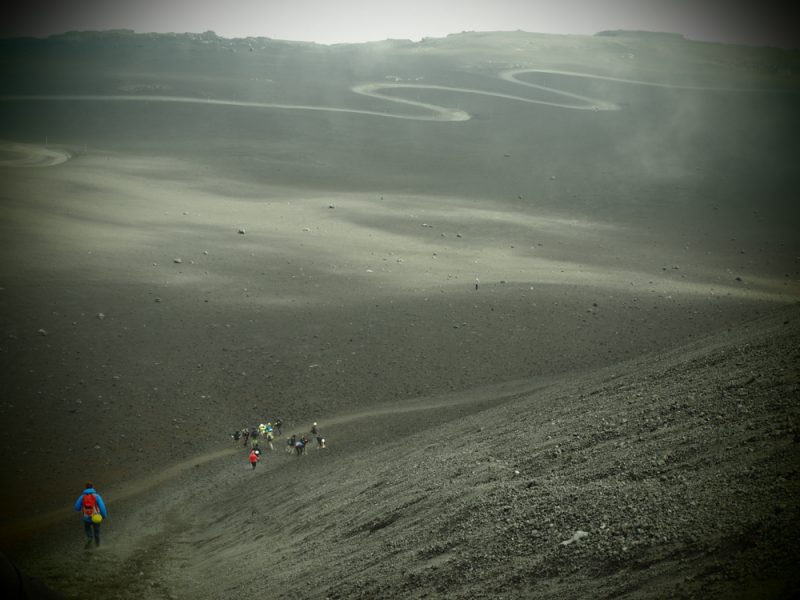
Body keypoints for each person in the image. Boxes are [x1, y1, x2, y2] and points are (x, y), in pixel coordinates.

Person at [74, 482, 108, 548]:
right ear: (93, 487)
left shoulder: (82, 497)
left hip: (86, 518)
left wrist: (81, 508)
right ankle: (97, 546)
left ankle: (90, 538)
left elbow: (76, 507)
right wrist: (104, 515)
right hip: (96, 517)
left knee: (88, 530)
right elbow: (102, 507)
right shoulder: (97, 496)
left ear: (85, 487)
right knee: (97, 532)